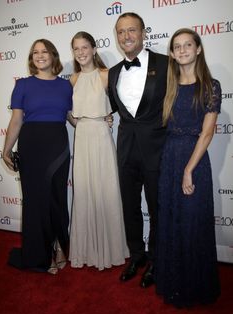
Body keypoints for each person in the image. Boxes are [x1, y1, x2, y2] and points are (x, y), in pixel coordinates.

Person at [155, 28, 221, 307]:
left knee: (193, 223)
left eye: (187, 45)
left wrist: (188, 169)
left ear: (198, 49)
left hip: (193, 161)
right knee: (171, 221)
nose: (182, 50)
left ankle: (196, 287)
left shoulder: (210, 86)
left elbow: (207, 133)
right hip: (169, 158)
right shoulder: (168, 86)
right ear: (171, 53)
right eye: (177, 47)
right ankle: (173, 283)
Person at [3, 39, 73, 275]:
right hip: (31, 146)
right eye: (35, 52)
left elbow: (72, 118)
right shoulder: (23, 85)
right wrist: (5, 150)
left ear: (53, 55)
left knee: (56, 198)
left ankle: (59, 246)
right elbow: (16, 120)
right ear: (32, 58)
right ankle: (41, 255)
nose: (40, 56)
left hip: (59, 146)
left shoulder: (66, 86)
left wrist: (98, 120)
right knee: (36, 202)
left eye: (44, 52)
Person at [108, 12, 168, 287]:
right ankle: (136, 254)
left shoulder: (167, 64)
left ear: (144, 33)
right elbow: (117, 109)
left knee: (157, 207)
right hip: (126, 149)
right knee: (130, 205)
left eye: (132, 30)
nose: (126, 36)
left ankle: (157, 259)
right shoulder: (113, 72)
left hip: (157, 148)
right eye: (121, 32)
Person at [69, 31, 129, 270]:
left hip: (102, 139)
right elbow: (73, 117)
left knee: (106, 191)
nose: (81, 52)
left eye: (85, 47)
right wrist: (79, 121)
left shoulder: (106, 75)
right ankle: (86, 251)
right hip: (81, 137)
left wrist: (108, 118)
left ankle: (111, 250)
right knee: (83, 193)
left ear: (94, 49)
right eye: (76, 48)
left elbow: (121, 106)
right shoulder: (72, 80)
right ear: (73, 53)